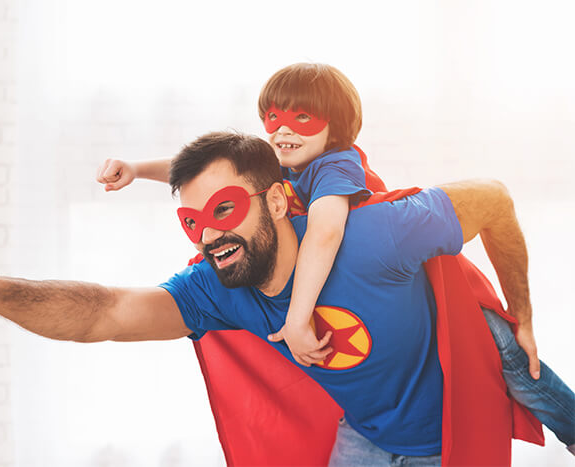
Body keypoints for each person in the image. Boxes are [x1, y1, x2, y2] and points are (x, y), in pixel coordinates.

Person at [0, 133, 570, 464]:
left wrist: (526, 313)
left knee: (535, 378)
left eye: (224, 209)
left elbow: (495, 199)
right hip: (366, 439)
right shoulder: (214, 287)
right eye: (192, 222)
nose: (210, 235)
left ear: (280, 198)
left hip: (455, 423)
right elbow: (103, 313)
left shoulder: (371, 236)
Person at [95, 63, 575, 450]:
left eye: (302, 118)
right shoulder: (286, 155)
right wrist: (137, 169)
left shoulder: (334, 164)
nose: (282, 131)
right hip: (379, 297)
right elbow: (209, 174)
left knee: (518, 366)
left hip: (438, 288)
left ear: (336, 126)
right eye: (274, 118)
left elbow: (325, 233)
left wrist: (299, 320)